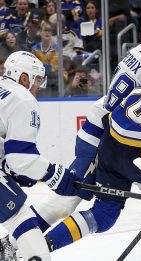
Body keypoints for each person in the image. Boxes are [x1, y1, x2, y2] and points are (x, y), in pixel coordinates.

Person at [24, 13, 141, 261]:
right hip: (104, 138)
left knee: (106, 209)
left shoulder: (139, 52)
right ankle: (20, 240)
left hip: (105, 132)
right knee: (67, 201)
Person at [0, 51, 81, 261]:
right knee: (23, 224)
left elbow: (12, 159)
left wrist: (11, 168)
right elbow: (21, 158)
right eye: (37, 79)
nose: (39, 86)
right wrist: (57, 175)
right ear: (23, 77)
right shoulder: (22, 98)